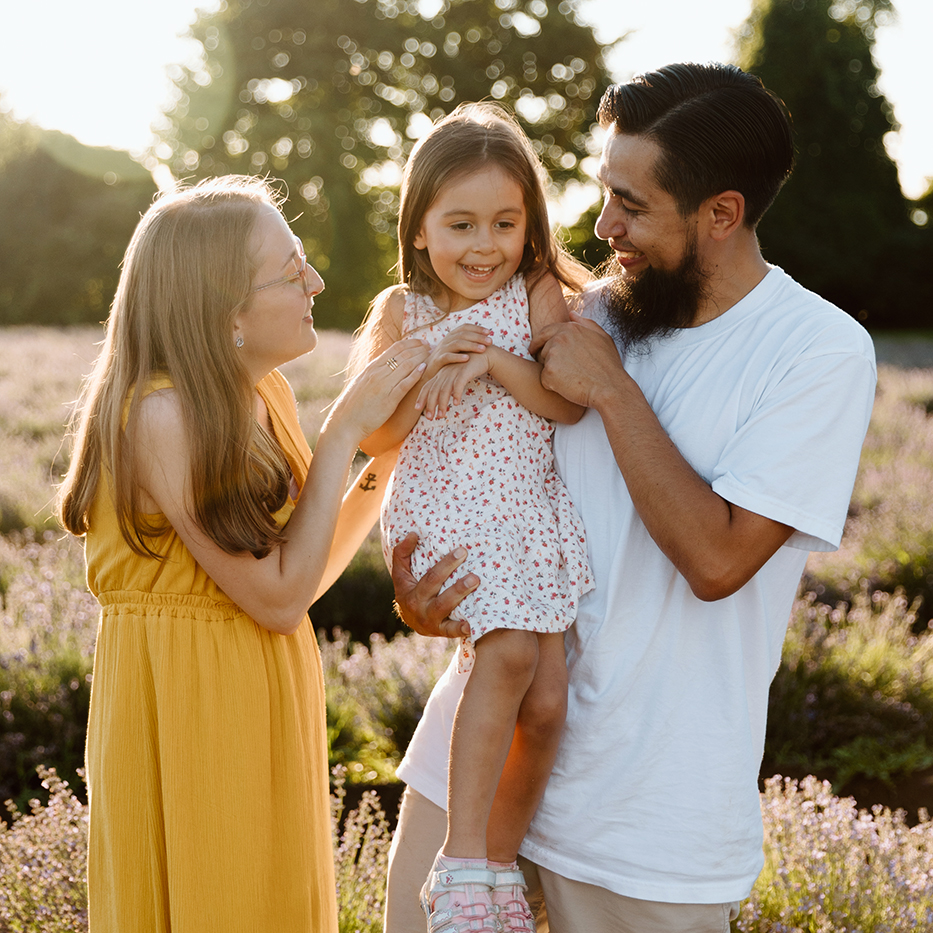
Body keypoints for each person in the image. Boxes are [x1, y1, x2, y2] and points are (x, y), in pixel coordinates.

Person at [386, 63, 877, 933]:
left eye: (632, 204)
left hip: (643, 823)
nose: (602, 225)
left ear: (720, 213)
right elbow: (443, 450)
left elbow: (719, 560)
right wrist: (426, 589)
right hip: (470, 768)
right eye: (602, 192)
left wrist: (612, 392)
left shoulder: (816, 351)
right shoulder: (575, 313)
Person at [58, 175, 429, 932]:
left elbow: (302, 574)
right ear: (225, 310)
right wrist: (344, 432)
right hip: (191, 710)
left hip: (262, 691)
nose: (315, 282)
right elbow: (276, 597)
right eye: (292, 269)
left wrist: (387, 454)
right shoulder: (161, 414)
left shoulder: (263, 398)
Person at [350, 103, 593, 933]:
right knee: (511, 655)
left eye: (503, 222)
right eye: (458, 223)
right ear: (418, 228)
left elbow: (564, 403)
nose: (483, 244)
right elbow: (371, 433)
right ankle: (461, 866)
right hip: (450, 506)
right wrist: (423, 381)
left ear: (531, 227)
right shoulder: (402, 311)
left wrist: (493, 361)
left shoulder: (537, 295)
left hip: (524, 510)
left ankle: (490, 870)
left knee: (549, 698)